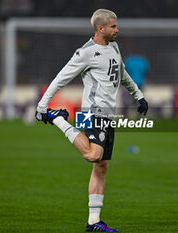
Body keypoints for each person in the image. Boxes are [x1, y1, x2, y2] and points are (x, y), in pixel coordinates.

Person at [35, 9, 148, 232]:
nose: (117, 29)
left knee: (101, 166)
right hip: (92, 112)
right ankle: (57, 119)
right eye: (113, 26)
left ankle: (94, 222)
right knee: (94, 155)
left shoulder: (113, 46)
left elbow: (122, 73)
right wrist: (42, 105)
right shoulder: (85, 53)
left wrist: (138, 95)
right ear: (100, 28)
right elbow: (61, 78)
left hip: (106, 113)